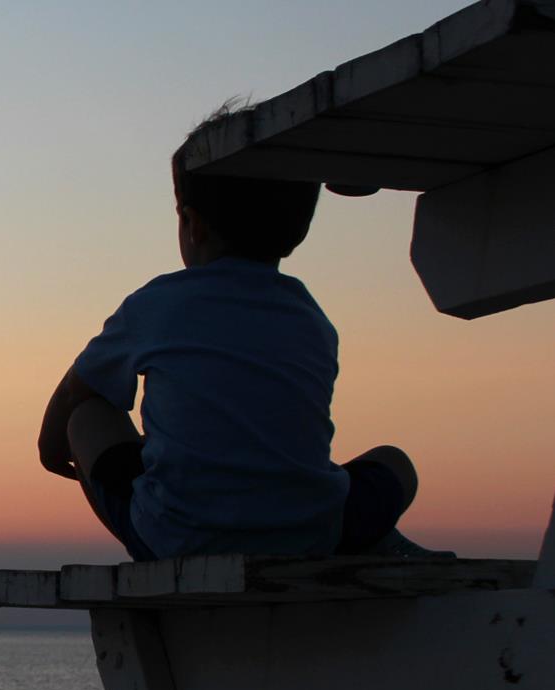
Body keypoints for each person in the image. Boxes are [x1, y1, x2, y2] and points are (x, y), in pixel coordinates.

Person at [36, 104, 452, 562]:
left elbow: (81, 389)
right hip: (314, 534)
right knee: (395, 462)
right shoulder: (310, 317)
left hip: (179, 539)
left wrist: (52, 448)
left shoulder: (156, 304)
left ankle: (161, 533)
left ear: (192, 225)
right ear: (299, 231)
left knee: (88, 416)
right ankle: (376, 539)